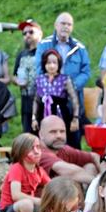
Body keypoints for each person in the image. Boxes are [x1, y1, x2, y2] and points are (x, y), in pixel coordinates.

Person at [34, 12, 91, 148]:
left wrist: (71, 85)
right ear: (56, 25)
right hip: (50, 101)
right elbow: (39, 69)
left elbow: (86, 72)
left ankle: (74, 166)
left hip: (73, 99)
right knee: (49, 136)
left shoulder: (79, 47)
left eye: (69, 24)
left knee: (73, 138)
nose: (65, 27)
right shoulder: (44, 45)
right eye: (63, 23)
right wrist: (56, 86)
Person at [0, 133, 51, 212]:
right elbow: (16, 195)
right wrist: (39, 201)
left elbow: (52, 185)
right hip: (9, 209)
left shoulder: (39, 170)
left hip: (29, 206)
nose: (36, 152)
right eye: (31, 148)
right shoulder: (17, 168)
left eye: (38, 147)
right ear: (20, 151)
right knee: (27, 204)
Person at [38, 115, 99, 185]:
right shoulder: (37, 152)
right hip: (42, 195)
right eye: (53, 132)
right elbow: (70, 172)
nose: (59, 136)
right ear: (41, 134)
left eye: (62, 131)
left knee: (90, 166)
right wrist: (101, 183)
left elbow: (94, 156)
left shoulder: (64, 149)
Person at [32, 49, 81, 135]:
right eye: (48, 63)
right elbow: (36, 100)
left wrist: (75, 118)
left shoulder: (65, 79)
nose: (51, 66)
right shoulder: (39, 79)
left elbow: (74, 99)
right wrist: (34, 118)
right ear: (44, 64)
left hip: (60, 114)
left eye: (54, 63)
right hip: (43, 115)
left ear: (59, 64)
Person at [14, 19, 43, 134]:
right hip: (26, 99)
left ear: (40, 33)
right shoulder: (21, 54)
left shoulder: (44, 51)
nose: (27, 35)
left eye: (31, 32)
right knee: (28, 133)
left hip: (43, 100)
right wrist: (17, 81)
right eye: (24, 33)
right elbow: (14, 75)